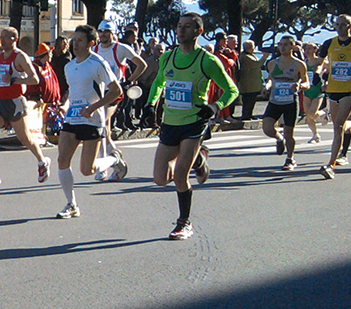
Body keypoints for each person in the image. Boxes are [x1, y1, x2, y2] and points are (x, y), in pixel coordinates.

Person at [145, 13, 238, 240]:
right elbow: (159, 83)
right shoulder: (168, 57)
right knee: (159, 179)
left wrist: (214, 107)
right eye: (179, 26)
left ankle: (184, 222)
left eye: (187, 27)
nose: (181, 31)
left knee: (179, 177)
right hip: (170, 123)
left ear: (198, 32)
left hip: (194, 122)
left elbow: (232, 90)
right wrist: (150, 103)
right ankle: (199, 159)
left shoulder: (207, 61)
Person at [54, 25, 122, 219]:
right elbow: (73, 90)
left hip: (92, 120)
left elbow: (116, 91)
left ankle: (114, 159)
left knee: (87, 170)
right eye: (74, 40)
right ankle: (71, 204)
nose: (75, 44)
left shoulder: (97, 63)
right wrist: (65, 105)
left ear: (91, 43)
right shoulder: (69, 66)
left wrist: (93, 107)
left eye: (80, 40)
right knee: (62, 160)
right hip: (72, 118)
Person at [0, 28, 51, 190]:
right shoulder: (0, 56)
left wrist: (13, 79)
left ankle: (42, 161)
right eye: (1, 37)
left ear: (14, 39)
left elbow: (34, 79)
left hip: (15, 102)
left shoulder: (20, 56)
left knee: (25, 139)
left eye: (5, 37)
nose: (2, 40)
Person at [92, 21, 146, 181]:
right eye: (100, 31)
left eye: (106, 31)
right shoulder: (94, 49)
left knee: (100, 125)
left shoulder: (120, 48)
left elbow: (141, 64)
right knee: (105, 132)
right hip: (98, 92)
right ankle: (117, 160)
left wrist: (128, 81)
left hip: (114, 92)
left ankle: (103, 168)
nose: (102, 34)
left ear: (112, 33)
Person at [316, 14, 351, 179]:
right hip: (333, 90)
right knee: (338, 125)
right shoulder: (329, 43)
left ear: (350, 26)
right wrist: (320, 74)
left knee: (338, 126)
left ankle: (331, 164)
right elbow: (321, 62)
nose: (339, 27)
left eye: (343, 25)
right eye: (337, 24)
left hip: (350, 90)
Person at [260, 36, 309, 170]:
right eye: (281, 45)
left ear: (293, 47)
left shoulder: (299, 64)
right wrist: (267, 86)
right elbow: (270, 79)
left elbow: (306, 83)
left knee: (289, 134)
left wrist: (300, 87)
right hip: (275, 101)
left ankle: (290, 159)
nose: (282, 47)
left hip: (290, 102)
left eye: (286, 45)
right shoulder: (272, 63)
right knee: (267, 127)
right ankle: (279, 138)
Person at [300, 41, 326, 144]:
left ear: (315, 50)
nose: (307, 51)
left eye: (310, 48)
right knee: (307, 115)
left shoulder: (320, 62)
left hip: (318, 91)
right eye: (306, 49)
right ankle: (315, 135)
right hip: (307, 91)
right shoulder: (304, 63)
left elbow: (329, 71)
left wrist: (326, 82)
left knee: (312, 113)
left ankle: (323, 113)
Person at [235, 40, 266, 121]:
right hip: (248, 84)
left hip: (254, 84)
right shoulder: (245, 56)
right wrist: (264, 58)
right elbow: (257, 64)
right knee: (248, 100)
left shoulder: (251, 55)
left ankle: (249, 114)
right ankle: (246, 115)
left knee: (252, 100)